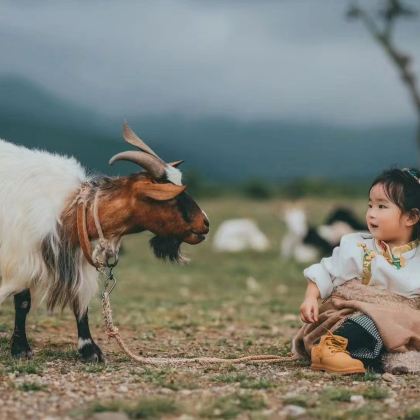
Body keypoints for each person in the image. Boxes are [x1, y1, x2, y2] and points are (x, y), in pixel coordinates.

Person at [299, 168, 420, 374]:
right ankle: (332, 347)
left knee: (406, 320)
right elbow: (325, 271)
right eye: (370, 205)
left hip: (397, 327)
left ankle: (361, 355)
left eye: (382, 206)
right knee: (378, 316)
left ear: (411, 217)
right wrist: (311, 297)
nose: (371, 213)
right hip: (350, 317)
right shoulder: (356, 246)